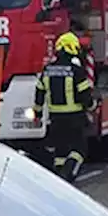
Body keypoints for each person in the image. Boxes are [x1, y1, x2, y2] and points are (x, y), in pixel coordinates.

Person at [32, 31, 97, 183]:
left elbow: (39, 94)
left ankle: (59, 180)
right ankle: (69, 173)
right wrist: (93, 106)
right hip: (75, 118)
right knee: (79, 149)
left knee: (60, 151)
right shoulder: (76, 71)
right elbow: (85, 96)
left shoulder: (47, 70)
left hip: (55, 119)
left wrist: (38, 114)